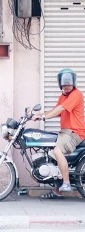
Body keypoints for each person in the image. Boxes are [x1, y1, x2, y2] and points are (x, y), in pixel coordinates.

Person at [36, 68, 85, 199]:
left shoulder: (76, 95)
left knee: (57, 151)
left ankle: (67, 183)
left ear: (73, 83)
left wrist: (43, 117)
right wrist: (39, 115)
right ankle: (56, 190)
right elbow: (57, 111)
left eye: (69, 84)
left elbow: (61, 108)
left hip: (75, 133)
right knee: (50, 153)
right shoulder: (62, 97)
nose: (67, 86)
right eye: (64, 84)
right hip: (65, 132)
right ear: (60, 84)